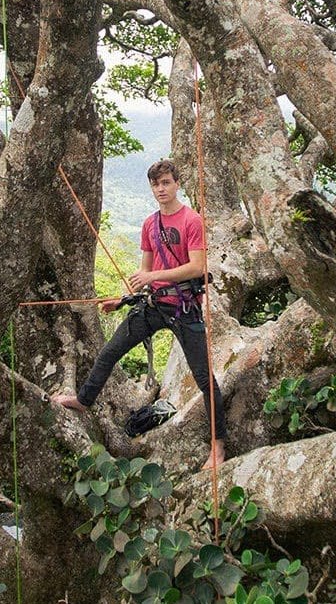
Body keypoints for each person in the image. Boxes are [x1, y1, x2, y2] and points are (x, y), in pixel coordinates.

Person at [52, 159, 226, 469]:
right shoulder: (150, 224)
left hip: (184, 307)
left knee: (204, 379)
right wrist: (121, 300)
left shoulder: (192, 221)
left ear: (177, 184)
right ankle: (83, 400)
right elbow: (144, 274)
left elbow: (198, 267)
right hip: (153, 305)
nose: (161, 189)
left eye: (166, 183)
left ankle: (218, 446)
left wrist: (152, 276)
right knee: (109, 352)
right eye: (156, 184)